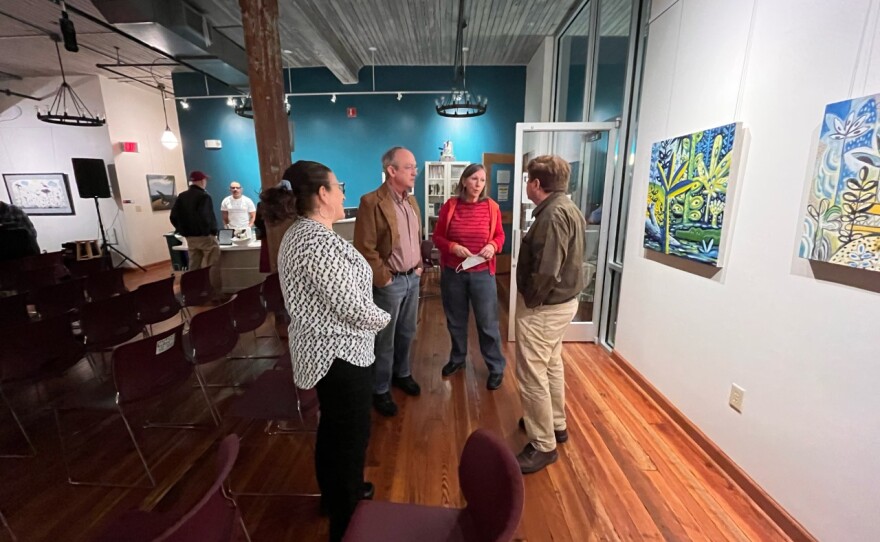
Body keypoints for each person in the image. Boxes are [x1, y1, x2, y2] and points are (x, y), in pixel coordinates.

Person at [276, 160, 390, 542]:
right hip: (339, 356)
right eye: (338, 186)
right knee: (350, 440)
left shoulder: (306, 233)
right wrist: (384, 317)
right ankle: (347, 522)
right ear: (322, 194)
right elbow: (351, 306)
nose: (343, 192)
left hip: (331, 353)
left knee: (333, 431)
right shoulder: (314, 241)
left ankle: (337, 495)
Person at [515, 155, 585, 474]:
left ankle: (543, 444)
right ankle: (555, 424)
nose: (527, 185)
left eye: (529, 179)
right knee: (552, 364)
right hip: (562, 304)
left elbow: (546, 271)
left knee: (532, 373)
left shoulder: (553, 214)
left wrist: (530, 301)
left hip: (546, 307)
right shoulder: (567, 207)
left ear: (536, 184)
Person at [353, 146, 423, 417]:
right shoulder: (371, 202)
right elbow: (365, 249)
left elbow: (415, 238)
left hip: (412, 279)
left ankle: (401, 374)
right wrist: (384, 279)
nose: (415, 171)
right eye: (409, 167)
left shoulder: (411, 201)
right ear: (391, 171)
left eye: (414, 166)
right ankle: (380, 388)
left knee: (407, 333)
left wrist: (418, 266)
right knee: (385, 339)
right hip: (390, 283)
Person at [432, 163, 507, 390]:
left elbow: (500, 235)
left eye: (482, 180)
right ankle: (457, 359)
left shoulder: (492, 207)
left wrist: (494, 246)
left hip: (483, 274)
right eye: (474, 179)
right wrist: (453, 247)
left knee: (487, 323)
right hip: (454, 274)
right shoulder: (450, 206)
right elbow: (437, 237)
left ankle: (496, 367)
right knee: (456, 320)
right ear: (464, 181)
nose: (478, 184)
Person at [170, 170, 221, 294]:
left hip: (190, 237)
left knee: (194, 265)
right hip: (205, 236)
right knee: (211, 265)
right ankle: (212, 292)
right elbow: (205, 216)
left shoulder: (182, 196)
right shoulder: (204, 196)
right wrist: (210, 231)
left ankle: (193, 292)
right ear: (202, 181)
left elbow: (173, 216)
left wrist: (182, 230)